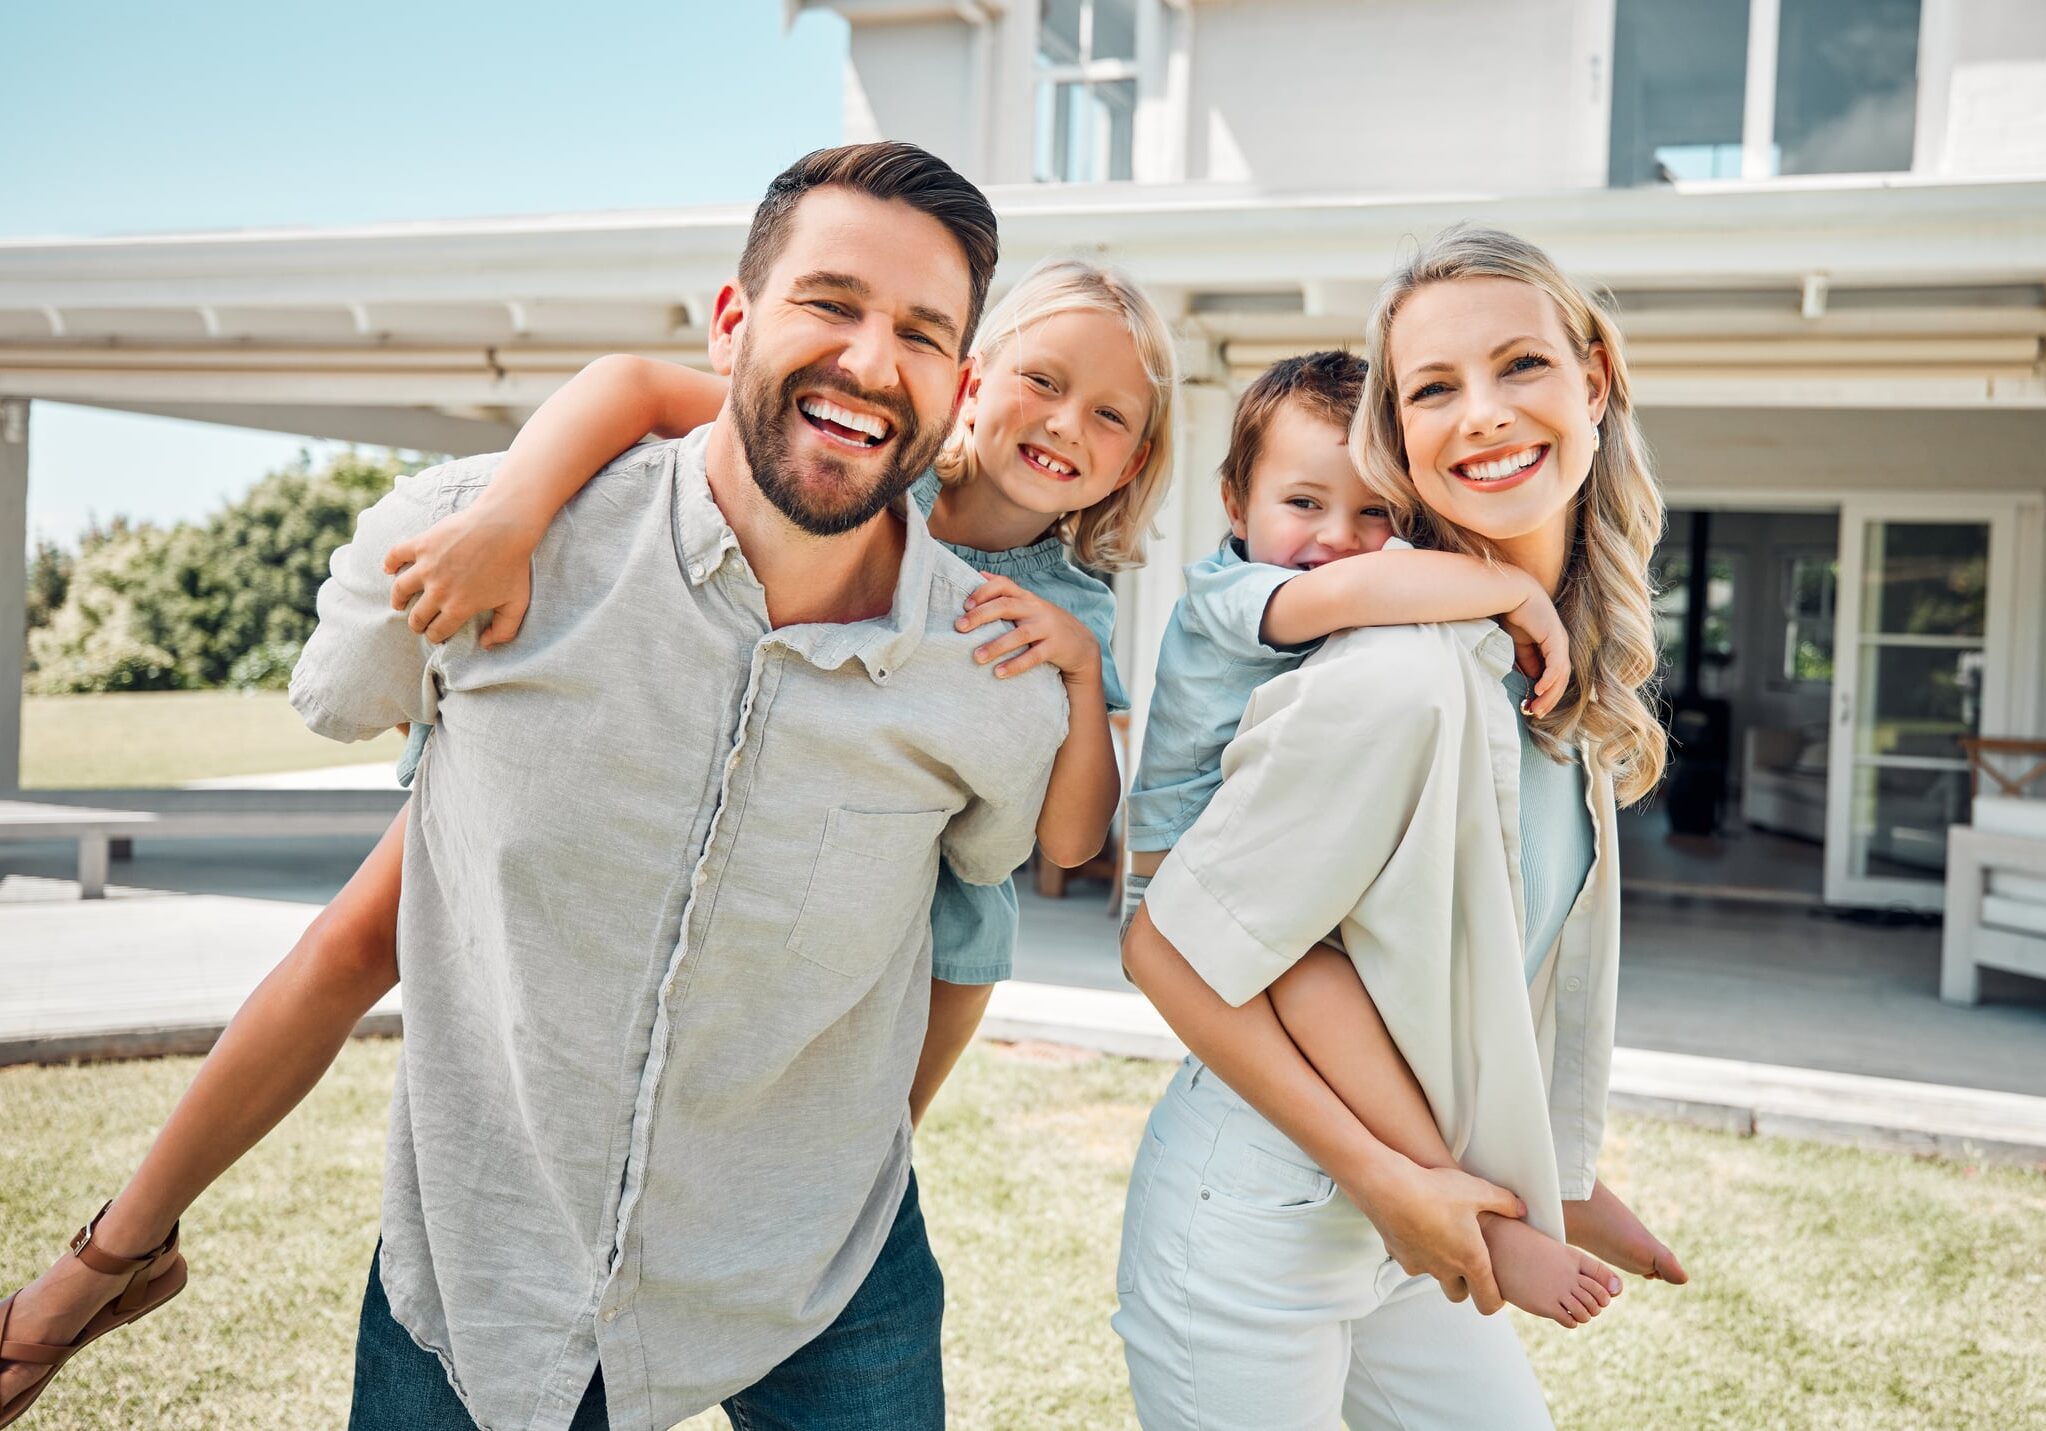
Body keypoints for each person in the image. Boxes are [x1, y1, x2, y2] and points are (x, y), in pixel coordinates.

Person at [1, 141, 1070, 1431]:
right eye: (829, 303)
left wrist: (852, 1152)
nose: (868, 360)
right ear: (731, 325)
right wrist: (111, 1251)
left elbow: (967, 943)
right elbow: (352, 925)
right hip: (487, 1279)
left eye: (920, 332)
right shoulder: (473, 548)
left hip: (828, 1273)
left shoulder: (995, 681)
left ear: (958, 386)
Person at [380, 254, 1180, 1123]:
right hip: (760, 782)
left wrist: (1083, 669)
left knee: (964, 955)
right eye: (1044, 380)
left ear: (1133, 462)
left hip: (918, 866)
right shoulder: (868, 462)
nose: (1067, 423)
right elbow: (636, 387)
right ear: (971, 383)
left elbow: (1066, 845)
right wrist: (510, 516)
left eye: (1107, 414)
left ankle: (875, 1163)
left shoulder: (1072, 609)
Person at [1116, 226, 1679, 1428]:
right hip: (1269, 1216)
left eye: (1519, 365)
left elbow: (1474, 983)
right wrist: (1394, 1182)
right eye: (1433, 387)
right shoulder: (1398, 676)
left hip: (1426, 1204)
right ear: (1401, 431)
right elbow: (1170, 942)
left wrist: (1551, 1179)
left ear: (1595, 378)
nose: (1480, 413)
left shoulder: (1535, 678)